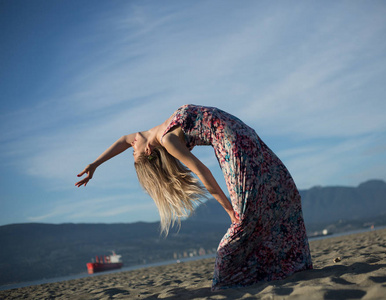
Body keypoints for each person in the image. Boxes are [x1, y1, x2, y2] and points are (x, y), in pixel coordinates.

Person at [76, 104, 313, 290]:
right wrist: (229, 210)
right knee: (270, 200)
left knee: (275, 195)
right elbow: (203, 172)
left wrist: (95, 164)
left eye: (133, 153)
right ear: (149, 153)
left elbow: (122, 141)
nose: (132, 149)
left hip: (236, 138)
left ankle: (264, 269)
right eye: (133, 154)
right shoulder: (167, 139)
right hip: (238, 135)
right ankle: (268, 267)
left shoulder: (151, 136)